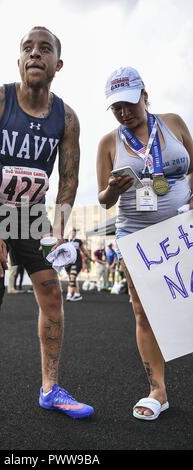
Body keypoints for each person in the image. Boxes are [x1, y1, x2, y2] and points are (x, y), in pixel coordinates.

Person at [0, 26, 94, 427]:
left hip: (31, 216)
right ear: (19, 60)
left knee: (52, 294)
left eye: (45, 49)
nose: (35, 54)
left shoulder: (67, 118)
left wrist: (57, 226)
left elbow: (69, 179)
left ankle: (50, 389)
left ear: (58, 63)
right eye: (27, 48)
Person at [97, 66, 193, 420]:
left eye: (128, 103)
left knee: (188, 301)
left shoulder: (174, 123)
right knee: (143, 311)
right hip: (138, 239)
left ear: (144, 95)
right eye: (115, 107)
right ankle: (158, 390)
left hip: (182, 232)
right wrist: (114, 189)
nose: (123, 113)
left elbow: (192, 167)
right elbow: (104, 198)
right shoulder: (108, 143)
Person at [65, 228, 93, 301]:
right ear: (68, 233)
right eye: (71, 232)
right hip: (67, 263)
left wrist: (90, 258)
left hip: (77, 262)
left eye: (74, 232)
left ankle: (69, 294)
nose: (73, 233)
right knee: (72, 278)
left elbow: (84, 251)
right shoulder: (65, 241)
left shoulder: (78, 241)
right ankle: (77, 294)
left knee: (72, 277)